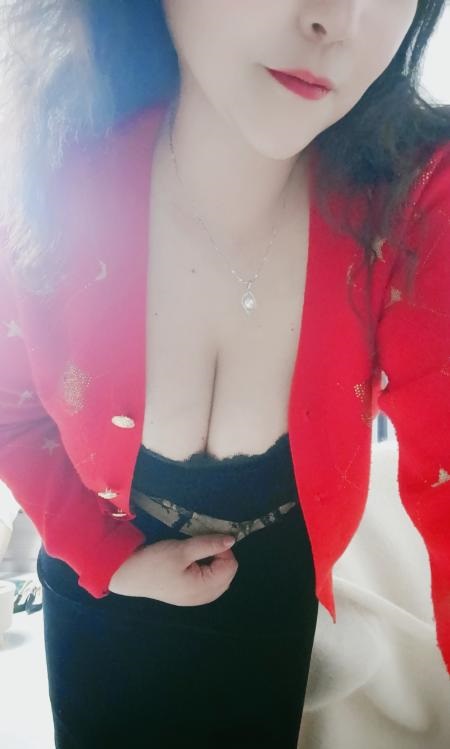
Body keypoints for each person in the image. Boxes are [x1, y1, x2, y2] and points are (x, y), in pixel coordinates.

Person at [0, 2, 449, 747]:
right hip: (96, 594)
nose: (337, 20)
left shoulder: (412, 205)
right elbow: (11, 411)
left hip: (270, 604)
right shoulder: (54, 167)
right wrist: (109, 560)